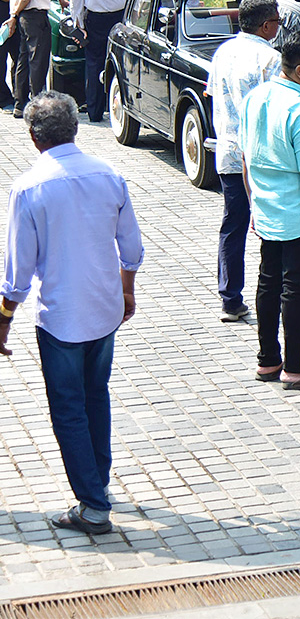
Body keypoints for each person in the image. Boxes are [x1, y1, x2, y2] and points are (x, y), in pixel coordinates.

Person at [0, 92, 144, 535]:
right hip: (104, 310)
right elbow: (132, 247)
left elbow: (17, 272)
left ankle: (93, 505)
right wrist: (126, 292)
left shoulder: (29, 188)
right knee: (94, 396)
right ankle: (97, 482)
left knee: (67, 408)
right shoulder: (110, 174)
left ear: (32, 137)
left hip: (61, 317)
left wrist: (3, 321)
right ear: (76, 127)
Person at [240, 30, 300, 391]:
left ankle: (268, 360)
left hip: (266, 209)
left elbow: (246, 158)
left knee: (268, 283)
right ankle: (295, 368)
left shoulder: (256, 98)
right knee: (295, 290)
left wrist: (254, 204)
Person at [206, 0, 283, 323]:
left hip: (229, 152)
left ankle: (230, 297)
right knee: (276, 228)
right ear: (266, 25)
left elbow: (212, 94)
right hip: (264, 157)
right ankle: (282, 291)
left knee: (233, 225)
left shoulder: (223, 51)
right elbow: (278, 107)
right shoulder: (271, 58)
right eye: (277, 22)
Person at [71, 0, 137, 122]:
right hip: (118, 20)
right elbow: (136, 0)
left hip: (94, 19)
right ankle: (120, 109)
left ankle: (95, 111)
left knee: (94, 64)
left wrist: (79, 23)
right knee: (120, 64)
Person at [10, 0, 69, 119]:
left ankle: (21, 103)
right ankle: (37, 103)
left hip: (27, 16)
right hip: (33, 15)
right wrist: (14, 14)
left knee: (24, 58)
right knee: (38, 60)